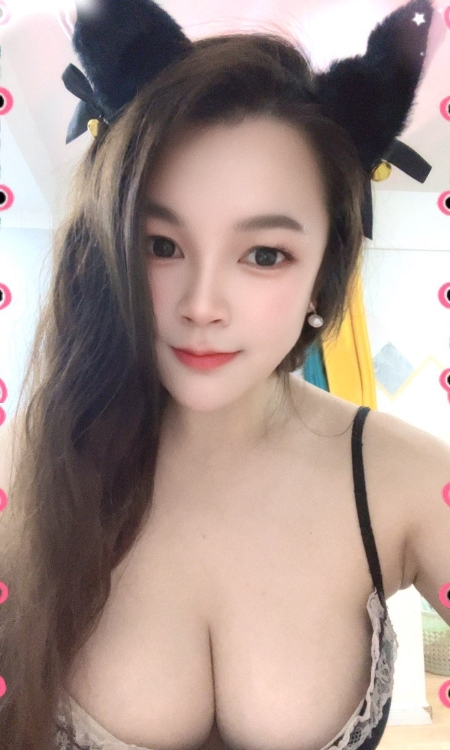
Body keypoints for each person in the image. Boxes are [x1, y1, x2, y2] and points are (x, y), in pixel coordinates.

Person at [0, 1, 440, 749]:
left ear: (324, 270)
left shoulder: (403, 479)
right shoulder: (29, 464)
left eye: (264, 255)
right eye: (161, 244)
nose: (202, 305)